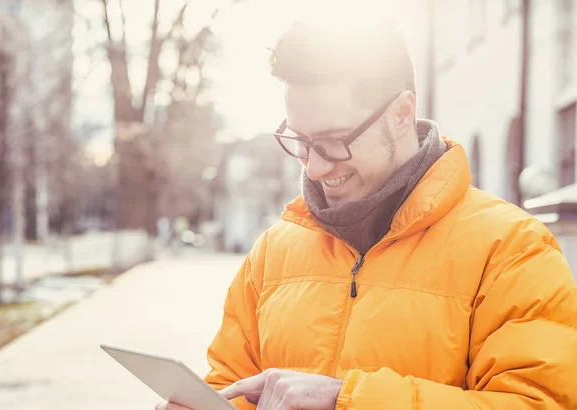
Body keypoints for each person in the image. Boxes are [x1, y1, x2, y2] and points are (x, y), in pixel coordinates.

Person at [157, 10, 577, 410]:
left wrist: (347, 399)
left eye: (334, 140)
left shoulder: (512, 249)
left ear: (401, 113)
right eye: (300, 141)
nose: (315, 167)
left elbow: (537, 402)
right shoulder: (273, 251)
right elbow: (231, 385)